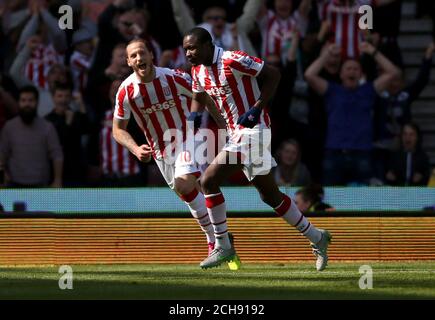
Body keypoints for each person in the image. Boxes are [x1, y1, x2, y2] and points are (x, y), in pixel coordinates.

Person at [183, 27, 331, 271]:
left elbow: (274, 74)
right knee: (270, 195)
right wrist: (194, 115)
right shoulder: (198, 71)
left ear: (208, 45)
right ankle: (318, 237)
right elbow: (199, 95)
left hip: (255, 130)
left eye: (193, 47)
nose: (189, 53)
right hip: (236, 134)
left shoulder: (232, 59)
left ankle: (223, 245)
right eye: (186, 48)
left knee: (208, 180)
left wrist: (257, 107)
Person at [112, 38, 230, 260]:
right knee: (188, 192)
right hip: (161, 152)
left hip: (188, 137)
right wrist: (136, 149)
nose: (139, 58)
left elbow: (203, 97)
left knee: (184, 183)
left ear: (151, 55)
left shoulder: (172, 78)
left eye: (142, 53)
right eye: (134, 56)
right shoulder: (125, 91)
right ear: (128, 62)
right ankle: (218, 240)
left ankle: (217, 240)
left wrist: (225, 127)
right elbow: (117, 130)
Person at [305, 41, 401, 186]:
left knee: (362, 201)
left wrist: (373, 51)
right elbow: (309, 74)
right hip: (335, 152)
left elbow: (393, 72)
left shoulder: (369, 90)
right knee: (331, 199)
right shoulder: (331, 90)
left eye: (356, 69)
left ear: (361, 74)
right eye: (348, 68)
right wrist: (326, 55)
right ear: (341, 73)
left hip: (362, 152)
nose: (352, 71)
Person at [0, 85, 63, 188]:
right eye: (23, 100)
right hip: (14, 184)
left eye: (31, 100)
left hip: (40, 185)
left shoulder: (47, 127)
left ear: (37, 102)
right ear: (19, 103)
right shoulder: (9, 127)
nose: (27, 104)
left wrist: (57, 180)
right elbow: (2, 154)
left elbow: (57, 155)